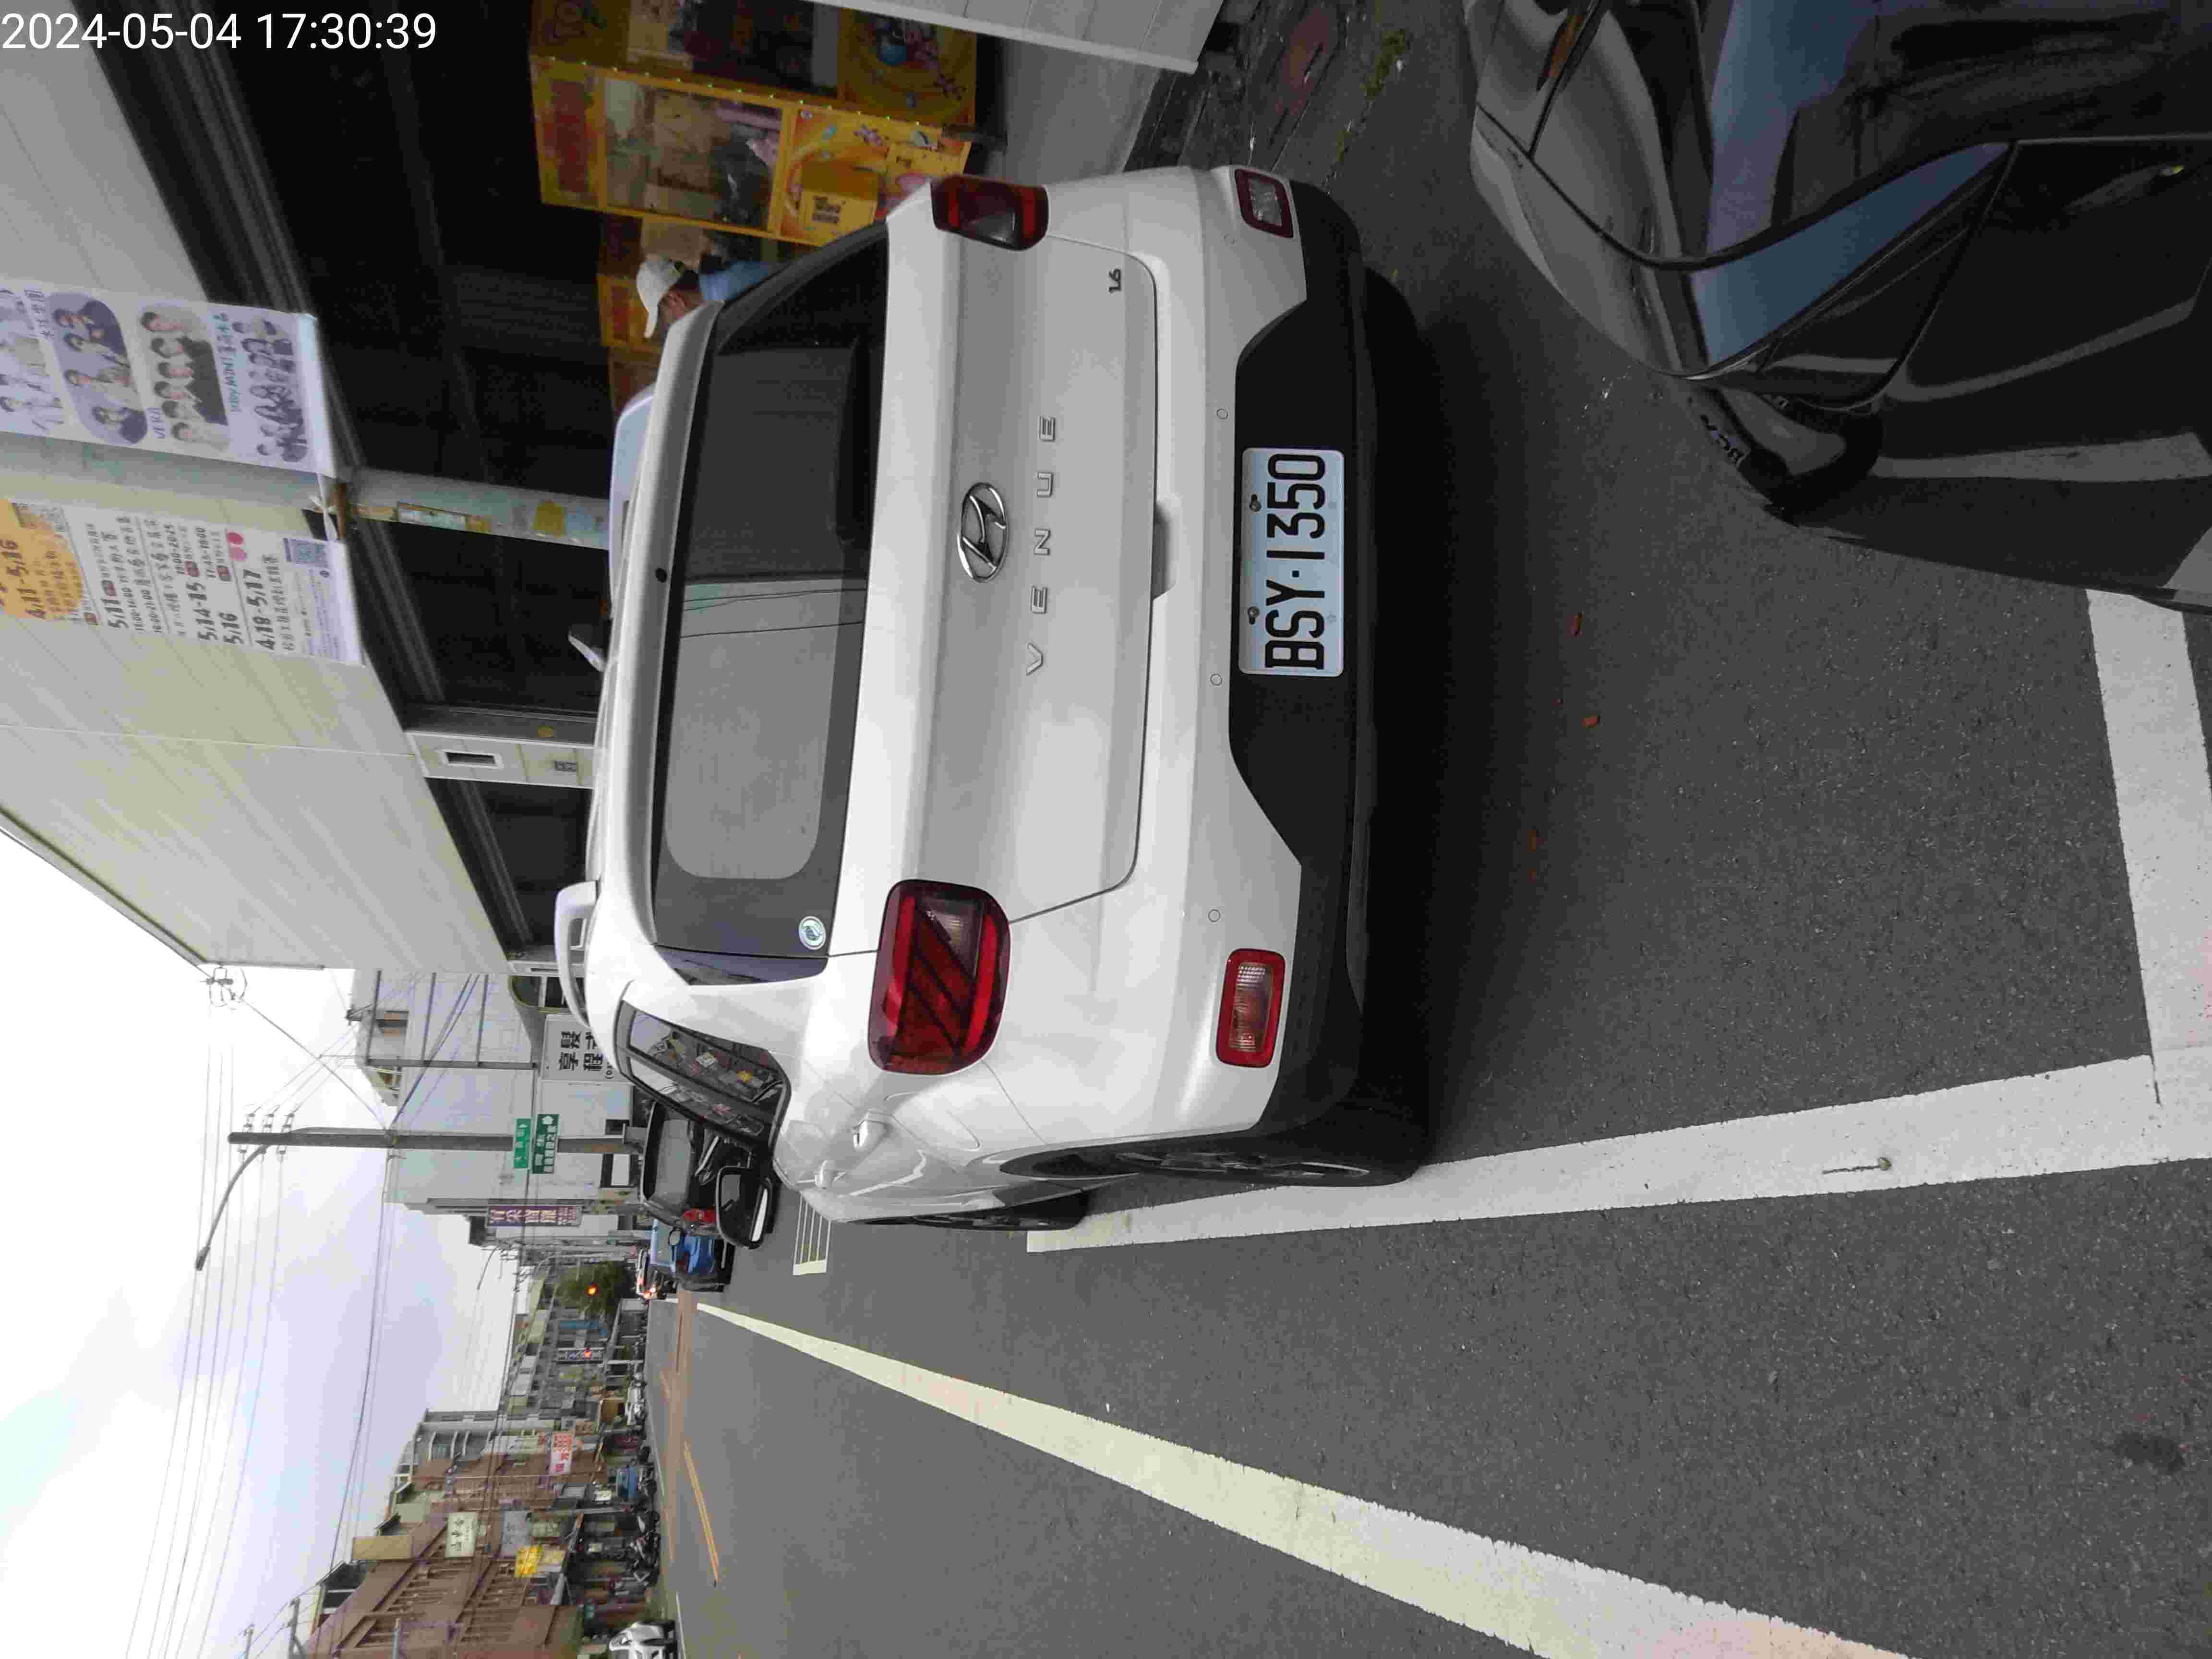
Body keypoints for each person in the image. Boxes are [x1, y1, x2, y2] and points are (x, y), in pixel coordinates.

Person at [636, 253, 778, 339]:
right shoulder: (723, 284)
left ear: (674, 299)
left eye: (663, 318)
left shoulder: (726, 301)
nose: (670, 325)